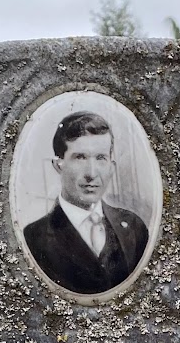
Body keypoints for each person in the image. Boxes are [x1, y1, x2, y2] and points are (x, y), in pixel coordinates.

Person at [23, 111, 150, 294]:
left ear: (111, 167)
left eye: (100, 158)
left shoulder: (134, 227)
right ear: (59, 165)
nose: (91, 173)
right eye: (80, 157)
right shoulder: (34, 238)